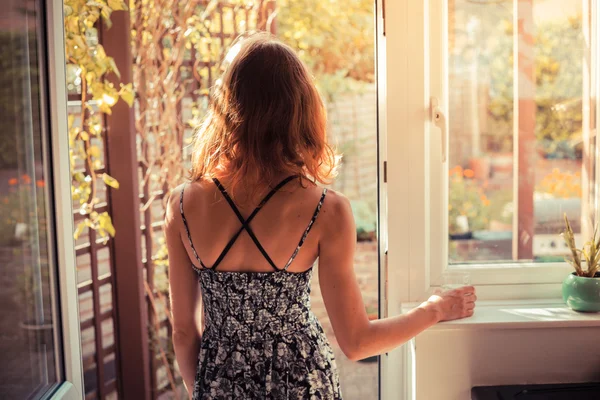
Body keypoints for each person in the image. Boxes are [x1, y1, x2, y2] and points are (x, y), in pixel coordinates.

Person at [164, 32, 477, 400]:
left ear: (227, 107)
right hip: (302, 386)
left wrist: (205, 388)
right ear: (300, 109)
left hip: (220, 387)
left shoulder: (183, 205)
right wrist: (434, 310)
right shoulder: (325, 210)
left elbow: (184, 331)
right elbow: (357, 342)